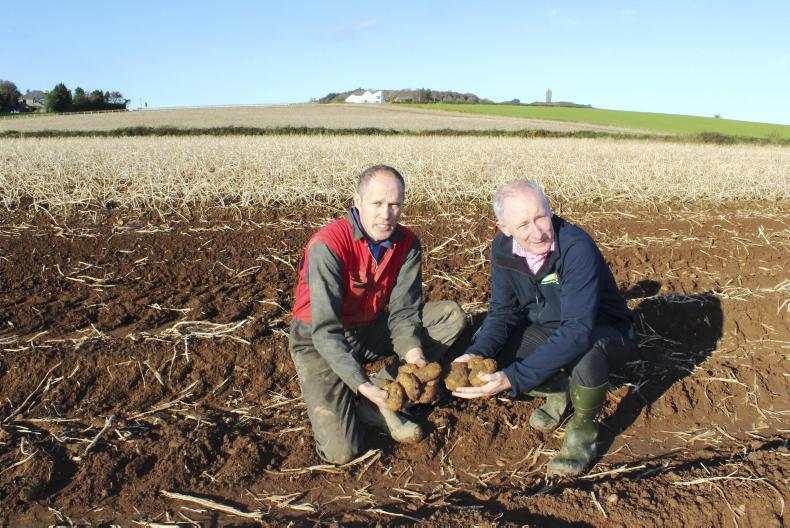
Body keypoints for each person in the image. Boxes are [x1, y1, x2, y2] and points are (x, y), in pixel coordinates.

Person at [453, 179, 637, 477]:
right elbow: (503, 312)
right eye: (523, 224)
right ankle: (561, 388)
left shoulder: (575, 247)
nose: (537, 232)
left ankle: (582, 434)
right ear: (504, 228)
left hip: (602, 331)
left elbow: (577, 329)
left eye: (540, 217)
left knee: (586, 351)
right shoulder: (502, 249)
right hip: (549, 329)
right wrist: (477, 353)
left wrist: (515, 377)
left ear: (550, 210)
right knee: (498, 358)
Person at [289, 165, 466, 464]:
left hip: (368, 328)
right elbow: (325, 331)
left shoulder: (406, 244)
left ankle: (380, 399)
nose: (387, 214)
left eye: (395, 204)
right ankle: (364, 396)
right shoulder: (328, 245)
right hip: (318, 339)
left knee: (450, 316)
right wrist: (362, 385)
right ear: (357, 201)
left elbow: (404, 311)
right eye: (377, 203)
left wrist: (414, 355)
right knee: (341, 452)